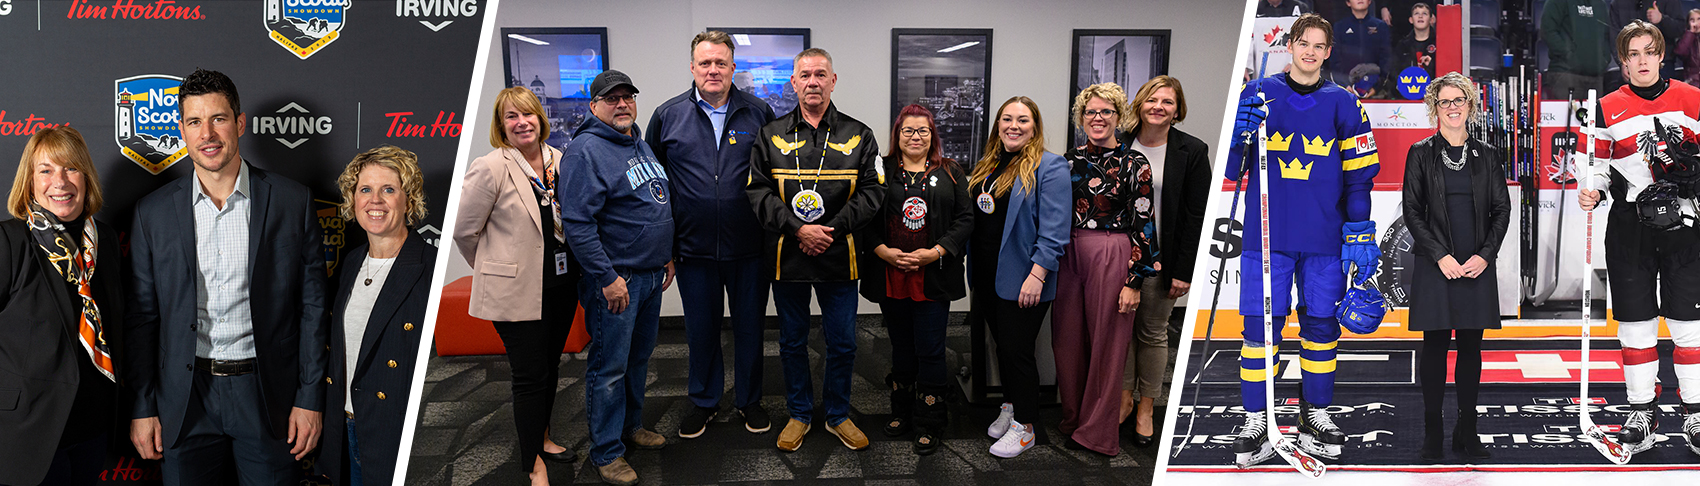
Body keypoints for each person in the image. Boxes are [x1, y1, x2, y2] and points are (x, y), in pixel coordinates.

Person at [125, 69, 328, 485]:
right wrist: (143, 405)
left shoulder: (292, 201)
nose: (207, 134)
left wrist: (309, 398)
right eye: (194, 122)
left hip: (266, 395)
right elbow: (143, 317)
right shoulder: (153, 213)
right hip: (184, 399)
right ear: (181, 130)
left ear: (239, 123)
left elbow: (312, 308)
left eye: (218, 119)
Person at [1227, 13, 1381, 465]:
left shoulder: (1347, 104)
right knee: (1259, 331)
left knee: (1320, 331)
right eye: (1303, 43)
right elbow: (1235, 166)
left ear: (1328, 52)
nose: (1310, 51)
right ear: (1289, 46)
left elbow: (1359, 178)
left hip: (1323, 240)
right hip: (1266, 236)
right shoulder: (1257, 94)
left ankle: (1315, 414)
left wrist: (1359, 231)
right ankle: (1258, 418)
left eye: (1319, 45)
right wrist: (1237, 134)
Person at [746, 47, 885, 453]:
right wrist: (798, 229)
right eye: (804, 75)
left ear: (833, 80)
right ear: (793, 82)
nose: (812, 82)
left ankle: (838, 414)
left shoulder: (860, 134)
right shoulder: (770, 135)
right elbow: (757, 192)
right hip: (787, 253)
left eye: (820, 74)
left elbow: (875, 190)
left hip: (840, 252)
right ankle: (800, 413)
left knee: (842, 341)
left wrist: (832, 228)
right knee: (791, 341)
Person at [645, 31, 779, 439]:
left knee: (750, 328)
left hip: (749, 247)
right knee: (700, 330)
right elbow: (654, 186)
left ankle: (749, 400)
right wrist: (664, 248)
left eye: (721, 63)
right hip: (693, 249)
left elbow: (777, 179)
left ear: (733, 68)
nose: (713, 70)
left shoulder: (759, 113)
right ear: (692, 68)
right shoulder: (667, 116)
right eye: (705, 63)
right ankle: (704, 401)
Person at [1578, 20, 1700, 456]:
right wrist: (1588, 185)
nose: (1643, 60)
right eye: (1634, 54)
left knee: (1688, 323)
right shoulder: (1605, 106)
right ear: (1623, 60)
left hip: (1686, 223)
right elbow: (1588, 160)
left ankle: (1695, 413)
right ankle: (1642, 412)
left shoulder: (1692, 100)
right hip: (1630, 222)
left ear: (1662, 55)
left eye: (1650, 51)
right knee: (1635, 323)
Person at [452, 86, 577, 486]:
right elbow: (464, 231)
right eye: (511, 116)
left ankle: (542, 436)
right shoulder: (490, 167)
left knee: (551, 366)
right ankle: (532, 464)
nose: (522, 122)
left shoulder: (559, 159)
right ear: (501, 125)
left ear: (540, 118)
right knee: (529, 375)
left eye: (528, 114)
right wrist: (493, 268)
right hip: (515, 291)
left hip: (560, 283)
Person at [0, 127, 125, 486]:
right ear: (29, 182)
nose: (60, 181)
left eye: (71, 168)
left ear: (86, 177)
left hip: (92, 433)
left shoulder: (106, 244)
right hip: (25, 437)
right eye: (46, 170)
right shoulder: (10, 241)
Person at [1400, 72, 1510, 463]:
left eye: (1458, 100)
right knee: (1433, 347)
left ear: (1470, 106)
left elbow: (1502, 210)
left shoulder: (1489, 155)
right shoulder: (1420, 152)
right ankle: (1433, 429)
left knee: (1471, 347)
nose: (1452, 107)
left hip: (1476, 262)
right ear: (1435, 107)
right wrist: (1440, 256)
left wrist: (1485, 255)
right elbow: (1412, 212)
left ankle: (1467, 429)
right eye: (1444, 101)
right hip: (1436, 262)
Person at [1051, 83, 1159, 458]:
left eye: (1106, 112)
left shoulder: (1134, 163)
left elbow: (1145, 223)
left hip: (1113, 251)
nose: (1098, 119)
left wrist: (1134, 280)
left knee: (1108, 345)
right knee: (1066, 341)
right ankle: (1073, 417)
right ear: (1082, 119)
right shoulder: (1065, 161)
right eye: (1091, 113)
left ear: (1119, 117)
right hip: (1067, 253)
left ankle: (1097, 432)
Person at [318, 146, 436, 486]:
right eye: (365, 189)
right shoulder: (351, 262)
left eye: (389, 190)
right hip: (344, 427)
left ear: (408, 200)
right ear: (352, 200)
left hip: (391, 433)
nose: (375, 200)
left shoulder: (427, 266)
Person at [859, 104, 972, 456]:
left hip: (932, 276)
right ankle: (902, 412)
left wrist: (935, 252)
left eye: (923, 130)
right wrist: (882, 251)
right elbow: (864, 215)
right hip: (891, 274)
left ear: (932, 134)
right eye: (908, 130)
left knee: (931, 350)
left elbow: (966, 219)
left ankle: (930, 421)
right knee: (902, 348)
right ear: (897, 135)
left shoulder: (951, 171)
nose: (915, 137)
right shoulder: (882, 170)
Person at [972, 96, 1071, 459]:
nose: (1014, 126)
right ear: (998, 124)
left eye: (1023, 120)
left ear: (1035, 127)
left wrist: (1038, 275)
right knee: (1004, 348)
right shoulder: (990, 164)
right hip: (987, 277)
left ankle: (1026, 427)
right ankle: (1012, 406)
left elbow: (1056, 230)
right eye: (1007, 119)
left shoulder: (1051, 166)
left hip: (1024, 278)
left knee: (1018, 352)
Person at [1120, 75, 1213, 448]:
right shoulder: (1119, 144)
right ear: (1140, 104)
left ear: (1177, 110)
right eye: (1152, 100)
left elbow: (1196, 215)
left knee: (1153, 333)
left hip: (1164, 261)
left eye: (1168, 102)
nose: (1158, 107)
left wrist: (1184, 270)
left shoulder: (1191, 150)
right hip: (1120, 258)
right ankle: (1123, 398)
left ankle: (1146, 407)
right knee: (1120, 334)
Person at [1539, 0, 1612, 99]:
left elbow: (1607, 36)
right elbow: (1548, 30)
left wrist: (1604, 60)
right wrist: (1568, 55)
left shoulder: (1600, 4)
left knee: (1596, 114)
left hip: (1596, 77)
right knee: (1566, 114)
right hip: (1565, 74)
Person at [1330, 0, 1393, 87]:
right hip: (1346, 87)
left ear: (1370, 1)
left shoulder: (1381, 26)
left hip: (1375, 89)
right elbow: (1335, 61)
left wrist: (1376, 87)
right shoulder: (1339, 27)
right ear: (1348, 3)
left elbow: (1386, 59)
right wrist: (1345, 86)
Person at [1393, 3, 1437, 80]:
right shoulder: (1402, 45)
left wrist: (1431, 64)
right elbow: (1394, 72)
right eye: (1416, 13)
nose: (1420, 16)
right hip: (1408, 89)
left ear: (1431, 19)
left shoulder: (1438, 44)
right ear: (1411, 20)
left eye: (1424, 13)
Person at [1673, 9, 1700, 85]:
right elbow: (1680, 52)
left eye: (1699, 19)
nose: (1696, 23)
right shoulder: (1686, 37)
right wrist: (1690, 33)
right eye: (1692, 20)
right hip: (1692, 82)